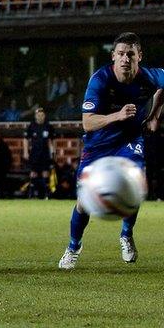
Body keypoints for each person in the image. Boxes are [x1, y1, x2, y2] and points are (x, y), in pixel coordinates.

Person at [58, 32, 164, 270]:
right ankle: (74, 246)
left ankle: (126, 234)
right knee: (84, 203)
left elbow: (162, 86)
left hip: (129, 140)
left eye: (131, 54)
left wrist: (155, 114)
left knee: (135, 185)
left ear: (139, 57)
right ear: (113, 56)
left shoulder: (149, 77)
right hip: (99, 145)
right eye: (121, 54)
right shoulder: (101, 80)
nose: (126, 59)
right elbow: (87, 122)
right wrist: (117, 115)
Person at [23, 108, 54, 199]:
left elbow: (51, 141)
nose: (40, 117)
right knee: (33, 173)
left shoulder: (48, 126)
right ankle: (32, 194)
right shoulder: (32, 126)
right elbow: (26, 139)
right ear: (35, 116)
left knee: (45, 172)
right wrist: (25, 151)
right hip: (34, 153)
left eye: (42, 115)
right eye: (38, 115)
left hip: (45, 153)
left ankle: (46, 195)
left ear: (44, 116)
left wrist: (52, 152)